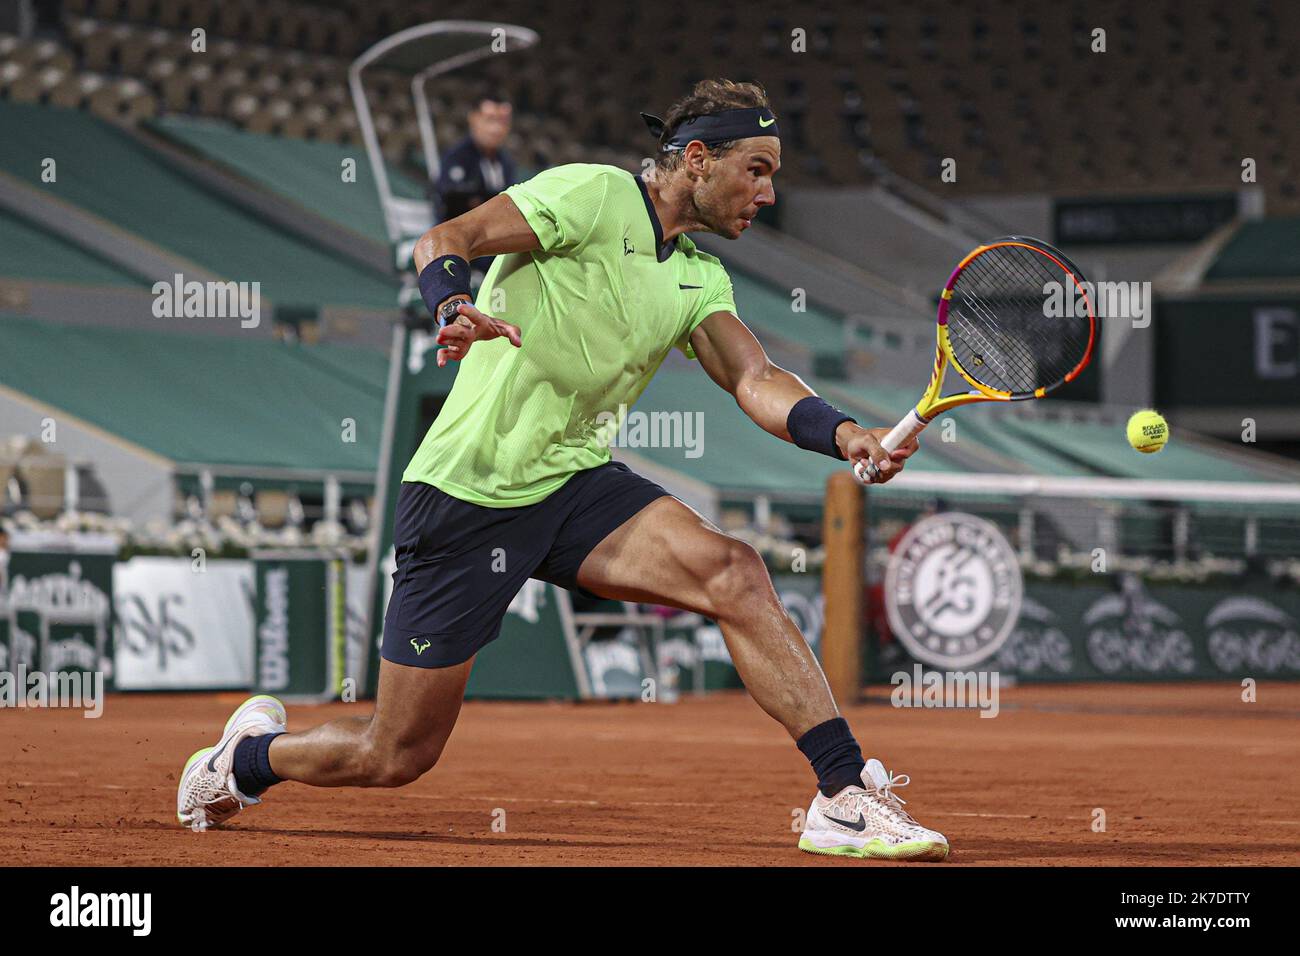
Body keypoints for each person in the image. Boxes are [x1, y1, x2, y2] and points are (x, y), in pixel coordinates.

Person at [177, 79, 948, 862]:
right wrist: (451, 306)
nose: (767, 192)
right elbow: (447, 237)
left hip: (575, 487)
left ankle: (843, 793)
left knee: (734, 572)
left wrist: (846, 432)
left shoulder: (697, 278)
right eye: (755, 169)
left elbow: (755, 378)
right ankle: (244, 761)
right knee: (395, 755)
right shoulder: (591, 194)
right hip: (465, 494)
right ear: (695, 159)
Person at [433, 95, 516, 275]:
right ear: (474, 118)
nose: (496, 129)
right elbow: (453, 202)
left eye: (503, 121)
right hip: (461, 240)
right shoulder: (457, 157)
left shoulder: (505, 162)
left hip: (494, 239)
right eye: (490, 120)